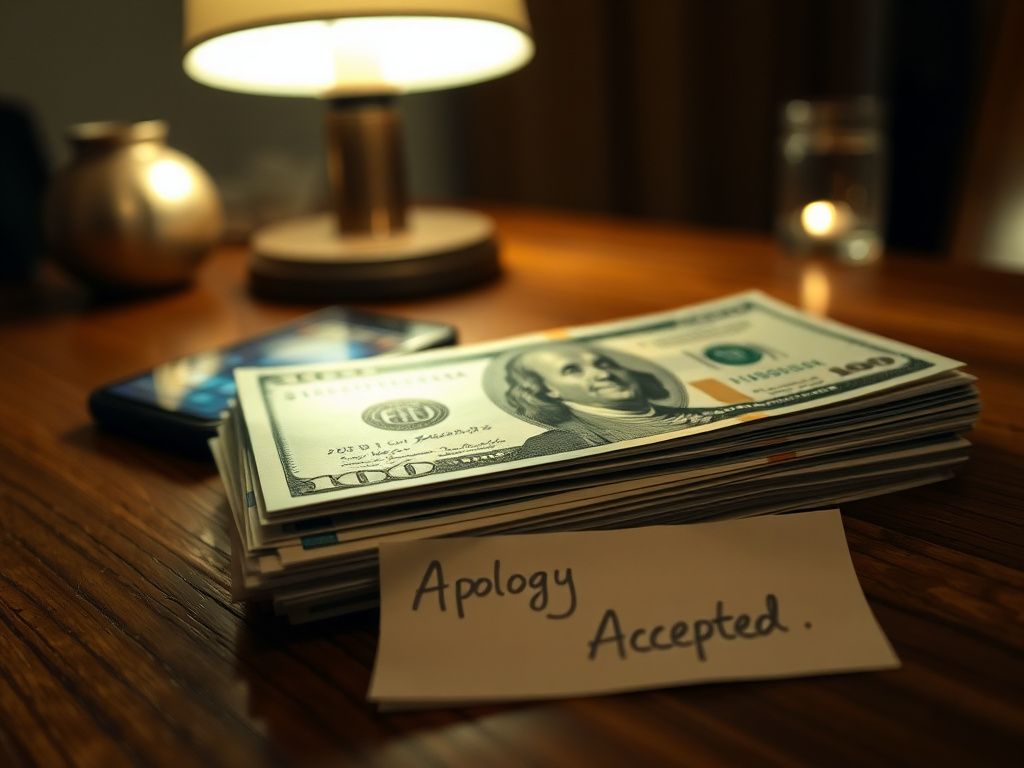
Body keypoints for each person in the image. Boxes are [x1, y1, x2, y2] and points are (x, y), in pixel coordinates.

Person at [502, 342, 725, 457]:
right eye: (572, 370)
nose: (603, 374)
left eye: (604, 363)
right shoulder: (555, 444)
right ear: (548, 390)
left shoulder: (712, 416)